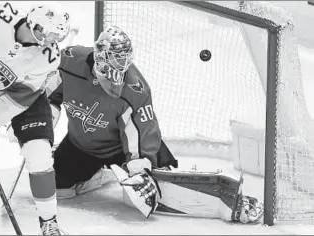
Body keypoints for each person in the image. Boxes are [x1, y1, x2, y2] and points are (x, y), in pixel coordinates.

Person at [46, 26, 264, 224]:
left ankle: (231, 204)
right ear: (100, 59)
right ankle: (98, 173)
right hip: (81, 145)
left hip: (123, 149)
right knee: (57, 189)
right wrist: (41, 123)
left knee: (158, 187)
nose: (117, 79)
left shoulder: (135, 89)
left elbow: (142, 132)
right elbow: (50, 96)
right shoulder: (69, 61)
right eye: (112, 70)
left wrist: (140, 168)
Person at [0, 1, 71, 234]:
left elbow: (21, 97)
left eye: (58, 36)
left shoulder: (49, 57)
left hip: (25, 100)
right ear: (34, 24)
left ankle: (49, 223)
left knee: (39, 154)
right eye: (49, 33)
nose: (53, 41)